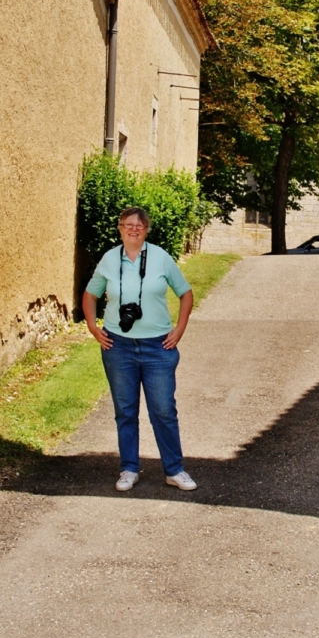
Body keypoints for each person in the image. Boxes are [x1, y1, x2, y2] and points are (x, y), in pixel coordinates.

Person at [82, 206, 197, 493]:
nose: (133, 229)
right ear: (120, 228)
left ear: (146, 230)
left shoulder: (160, 257)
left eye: (139, 226)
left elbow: (185, 293)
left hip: (158, 346)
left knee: (163, 410)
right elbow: (90, 294)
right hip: (118, 346)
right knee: (125, 411)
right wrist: (94, 328)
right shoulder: (110, 259)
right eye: (127, 225)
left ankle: (174, 470)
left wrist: (179, 329)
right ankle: (129, 469)